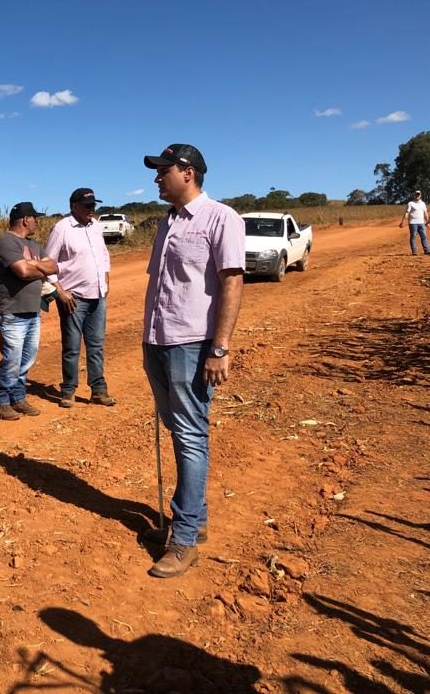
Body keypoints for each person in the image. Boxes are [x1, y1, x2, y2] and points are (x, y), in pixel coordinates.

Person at [141, 144, 245, 578]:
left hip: (191, 343)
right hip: (157, 340)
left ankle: (183, 539)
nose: (156, 179)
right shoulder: (166, 223)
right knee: (179, 427)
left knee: (189, 434)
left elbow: (232, 283)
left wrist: (220, 347)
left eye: (162, 171)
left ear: (188, 172)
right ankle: (196, 517)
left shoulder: (222, 218)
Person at [44, 188, 115, 409]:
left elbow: (103, 255)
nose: (92, 209)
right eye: (87, 206)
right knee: (72, 346)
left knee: (96, 345)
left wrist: (105, 278)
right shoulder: (62, 228)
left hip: (98, 295)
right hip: (73, 297)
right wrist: (59, 291)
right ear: (73, 206)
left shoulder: (95, 226)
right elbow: (48, 262)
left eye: (93, 205)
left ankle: (98, 390)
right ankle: (68, 390)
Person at [0, 202, 59, 420]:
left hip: (32, 309)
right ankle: (1, 400)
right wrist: (38, 266)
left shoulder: (35, 245)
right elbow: (22, 271)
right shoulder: (6, 242)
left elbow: (54, 267)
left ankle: (18, 397)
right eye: (35, 218)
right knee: (12, 357)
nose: (37, 222)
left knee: (27, 357)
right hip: (11, 310)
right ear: (25, 219)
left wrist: (34, 265)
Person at [398, 189, 430, 255]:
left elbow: (425, 213)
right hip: (413, 223)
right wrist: (402, 221)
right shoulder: (410, 203)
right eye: (416, 194)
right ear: (414, 195)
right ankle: (414, 251)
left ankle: (426, 250)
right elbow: (407, 212)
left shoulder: (423, 204)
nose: (417, 195)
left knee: (424, 236)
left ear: (420, 195)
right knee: (413, 236)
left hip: (421, 223)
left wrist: (428, 222)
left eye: (418, 194)